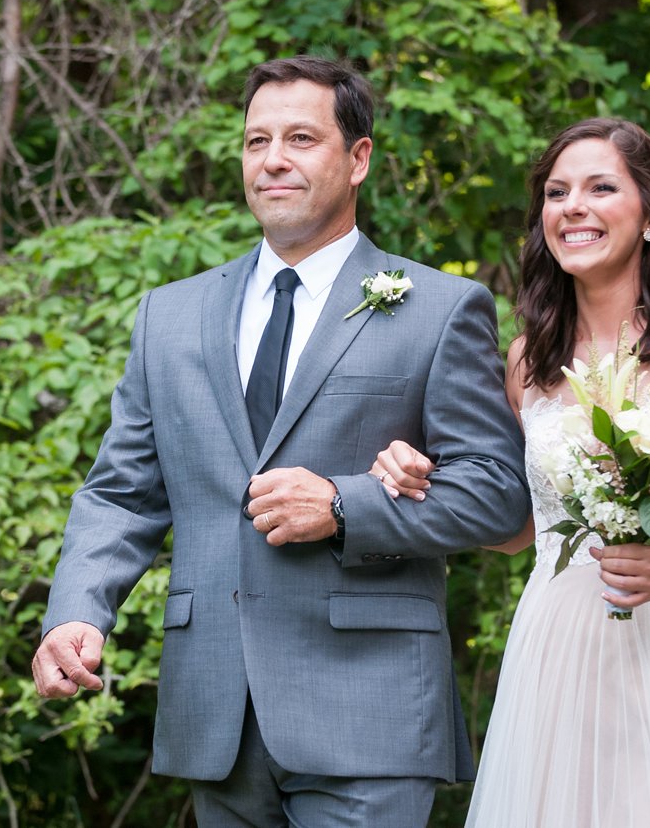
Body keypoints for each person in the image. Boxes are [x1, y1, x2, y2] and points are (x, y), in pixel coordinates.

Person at [29, 56, 530, 827]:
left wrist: (343, 504)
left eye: (301, 138)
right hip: (215, 714)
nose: (273, 160)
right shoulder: (170, 315)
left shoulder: (438, 307)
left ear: (358, 159)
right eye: (256, 140)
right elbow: (122, 493)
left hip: (371, 711)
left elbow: (499, 497)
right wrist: (77, 613)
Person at [368, 117, 650, 826]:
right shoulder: (525, 363)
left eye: (601, 188)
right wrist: (423, 481)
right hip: (561, 646)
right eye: (556, 192)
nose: (572, 206)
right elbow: (516, 530)